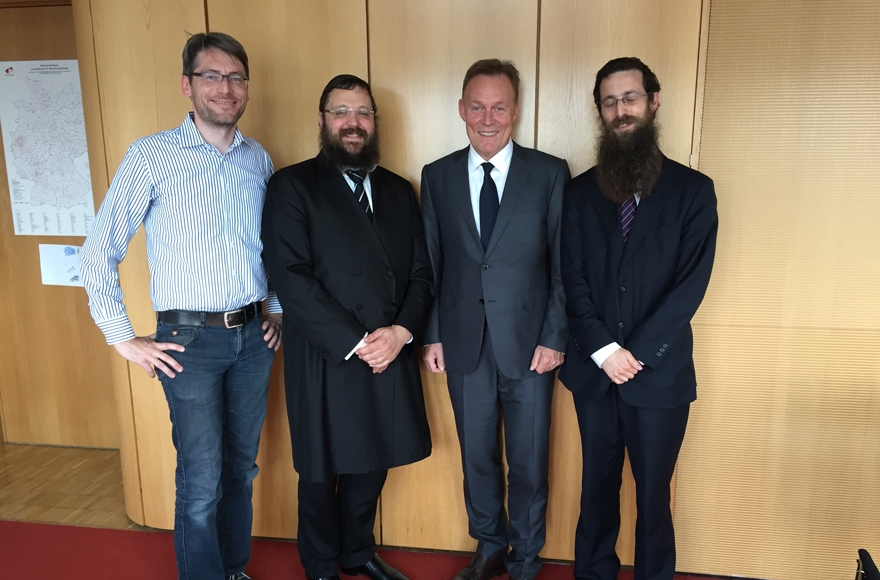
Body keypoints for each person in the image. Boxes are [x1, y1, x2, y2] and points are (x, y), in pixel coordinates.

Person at [80, 32, 281, 580]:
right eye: (212, 76)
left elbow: (275, 245)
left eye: (236, 77)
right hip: (188, 343)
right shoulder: (151, 155)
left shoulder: (257, 159)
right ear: (187, 85)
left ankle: (232, 570)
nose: (226, 87)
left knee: (241, 470)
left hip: (252, 340)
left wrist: (277, 310)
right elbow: (100, 249)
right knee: (202, 476)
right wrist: (123, 337)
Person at [261, 74, 433, 580]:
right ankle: (318, 563)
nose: (352, 123)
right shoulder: (293, 185)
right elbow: (289, 277)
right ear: (322, 120)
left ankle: (357, 552)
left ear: (374, 122)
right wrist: (355, 341)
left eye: (362, 112)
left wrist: (401, 332)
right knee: (320, 469)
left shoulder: (400, 191)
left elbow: (422, 273)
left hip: (389, 345)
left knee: (372, 460)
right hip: (325, 350)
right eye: (341, 112)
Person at [558, 57, 718, 580]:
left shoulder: (694, 192)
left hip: (660, 377)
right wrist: (605, 351)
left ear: (653, 101)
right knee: (596, 494)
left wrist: (637, 354)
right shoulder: (580, 193)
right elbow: (572, 278)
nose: (620, 110)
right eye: (609, 101)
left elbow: (688, 288)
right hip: (595, 375)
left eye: (629, 98)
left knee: (653, 500)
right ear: (600, 112)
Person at [420, 59, 570, 580]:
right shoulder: (436, 176)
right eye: (477, 106)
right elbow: (433, 263)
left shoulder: (550, 173)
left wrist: (555, 336)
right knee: (477, 456)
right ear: (462, 109)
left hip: (531, 346)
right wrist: (433, 333)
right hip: (463, 343)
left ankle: (527, 556)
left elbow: (561, 264)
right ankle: (489, 545)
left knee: (528, 461)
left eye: (499, 106)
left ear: (516, 110)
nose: (488, 118)